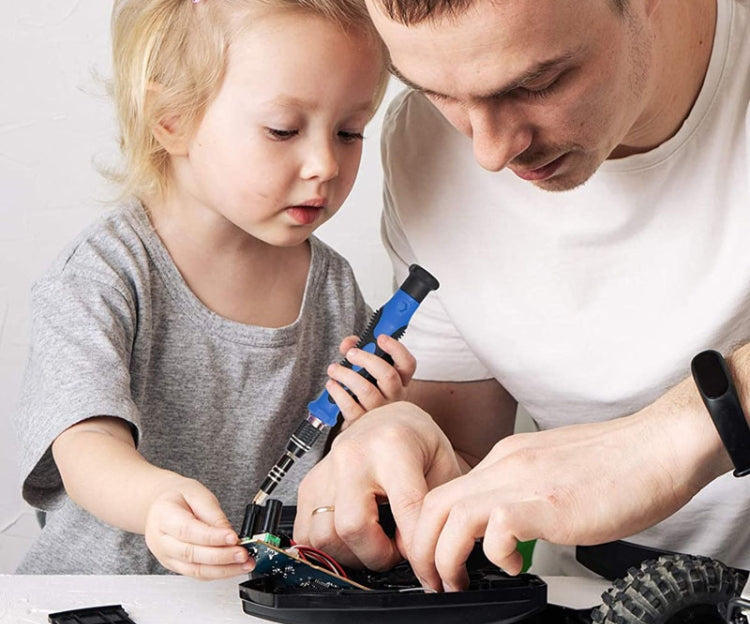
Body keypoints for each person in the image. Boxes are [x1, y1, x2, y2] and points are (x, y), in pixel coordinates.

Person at [293, 0, 750, 592]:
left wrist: (668, 439)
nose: (490, 151)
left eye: (538, 82)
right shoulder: (424, 149)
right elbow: (463, 460)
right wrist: (402, 443)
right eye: (437, 92)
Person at [14, 0, 415, 577]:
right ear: (171, 118)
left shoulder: (333, 289)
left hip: (251, 623)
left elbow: (334, 474)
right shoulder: (103, 274)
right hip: (101, 609)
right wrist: (154, 502)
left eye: (350, 132)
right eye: (283, 129)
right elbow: (85, 443)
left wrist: (377, 420)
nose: (325, 163)